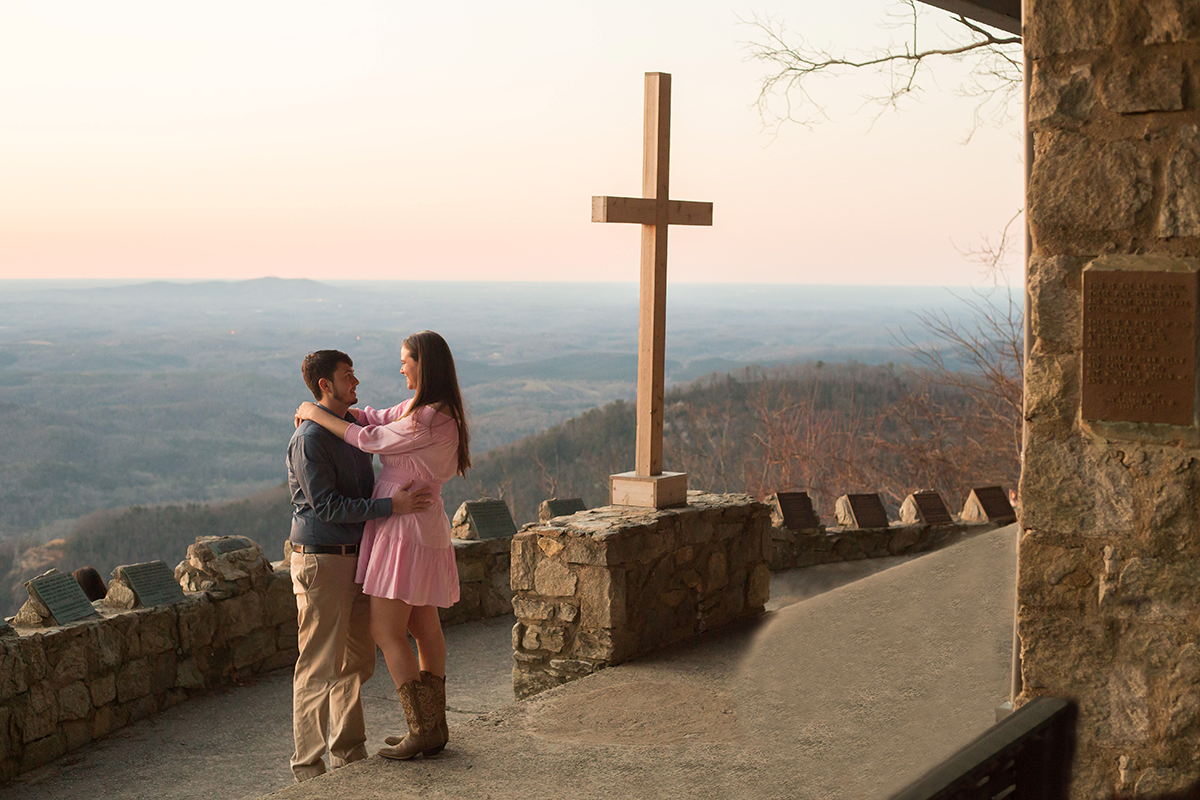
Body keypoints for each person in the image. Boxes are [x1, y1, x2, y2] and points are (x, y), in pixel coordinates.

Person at [295, 330, 469, 761]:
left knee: (384, 630)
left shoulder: (427, 417)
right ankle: (434, 725)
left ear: (423, 364)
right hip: (418, 524)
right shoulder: (426, 410)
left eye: (405, 360)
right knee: (423, 625)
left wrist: (315, 415)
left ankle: (420, 728)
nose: (400, 367)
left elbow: (369, 439)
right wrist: (331, 414)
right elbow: (372, 418)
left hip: (402, 528)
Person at [286, 349, 433, 782]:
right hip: (322, 562)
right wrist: (393, 506)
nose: (357, 382)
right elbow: (327, 506)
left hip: (357, 560)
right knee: (318, 665)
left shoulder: (350, 426)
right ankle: (308, 769)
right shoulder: (310, 439)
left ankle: (348, 754)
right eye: (348, 376)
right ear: (324, 386)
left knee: (357, 662)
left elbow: (391, 424)